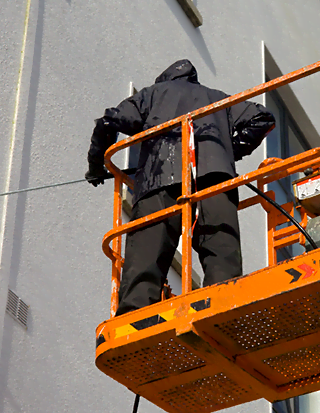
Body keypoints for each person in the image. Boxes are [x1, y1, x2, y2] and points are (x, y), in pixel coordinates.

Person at [86, 59, 275, 316]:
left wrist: (96, 165)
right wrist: (226, 152)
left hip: (158, 179)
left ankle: (135, 316)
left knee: (147, 254)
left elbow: (109, 123)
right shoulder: (217, 98)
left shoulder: (153, 94)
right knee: (221, 249)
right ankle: (223, 305)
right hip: (215, 177)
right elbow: (263, 118)